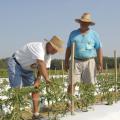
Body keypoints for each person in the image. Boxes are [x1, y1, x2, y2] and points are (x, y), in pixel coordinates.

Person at [7, 35, 64, 120]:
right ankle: (16, 115)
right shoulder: (39, 48)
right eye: (55, 50)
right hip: (16, 64)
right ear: (50, 45)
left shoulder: (48, 56)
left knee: (35, 89)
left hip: (28, 69)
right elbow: (40, 63)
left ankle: (36, 114)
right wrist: (47, 79)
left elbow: (44, 68)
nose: (55, 52)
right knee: (16, 90)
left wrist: (38, 81)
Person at [65, 12, 103, 100]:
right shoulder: (73, 33)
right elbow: (68, 48)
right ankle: (69, 103)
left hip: (89, 61)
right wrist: (66, 61)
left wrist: (100, 62)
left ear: (89, 24)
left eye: (86, 22)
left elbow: (99, 48)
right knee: (72, 82)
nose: (84, 23)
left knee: (89, 84)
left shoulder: (94, 34)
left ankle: (87, 102)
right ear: (80, 22)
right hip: (75, 61)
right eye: (82, 22)